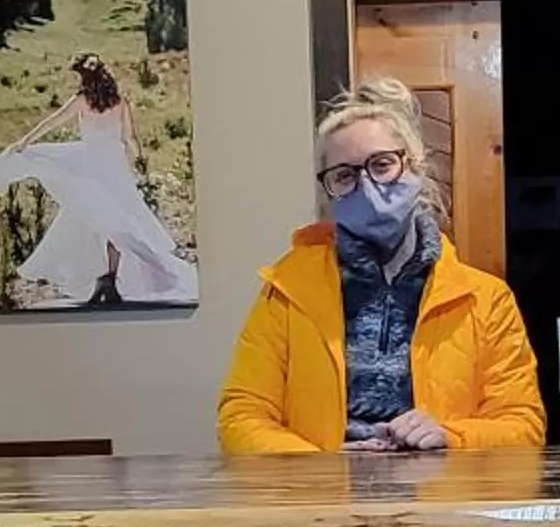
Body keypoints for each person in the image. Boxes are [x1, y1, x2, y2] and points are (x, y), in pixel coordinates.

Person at [217, 78, 542, 454]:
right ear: (328, 192)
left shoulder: (485, 299)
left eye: (382, 165)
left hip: (441, 501)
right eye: (345, 176)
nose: (368, 189)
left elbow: (523, 424)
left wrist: (449, 437)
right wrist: (321, 463)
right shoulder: (287, 293)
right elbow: (241, 416)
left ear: (416, 166)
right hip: (324, 503)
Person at [0, 54, 199, 308]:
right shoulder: (119, 102)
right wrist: (139, 161)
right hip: (115, 168)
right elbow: (129, 138)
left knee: (98, 221)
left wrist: (25, 142)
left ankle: (105, 280)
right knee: (117, 224)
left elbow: (52, 122)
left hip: (91, 166)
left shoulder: (81, 100)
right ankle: (109, 278)